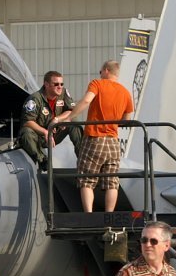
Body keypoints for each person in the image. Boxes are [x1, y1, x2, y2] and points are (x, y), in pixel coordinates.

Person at [54, 60, 135, 213]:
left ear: (106, 70)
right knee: (112, 182)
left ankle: (89, 214)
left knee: (86, 179)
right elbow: (127, 121)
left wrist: (69, 117)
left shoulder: (97, 84)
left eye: (100, 72)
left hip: (94, 139)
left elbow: (86, 100)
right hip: (113, 142)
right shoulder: (125, 93)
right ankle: (109, 215)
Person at [18, 70, 81, 166]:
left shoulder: (63, 93)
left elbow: (71, 110)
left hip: (56, 133)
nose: (60, 87)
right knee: (26, 132)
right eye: (56, 84)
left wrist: (57, 120)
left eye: (61, 84)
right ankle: (43, 161)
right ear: (46, 84)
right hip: (40, 137)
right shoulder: (35, 98)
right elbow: (28, 121)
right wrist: (45, 132)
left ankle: (83, 159)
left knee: (73, 122)